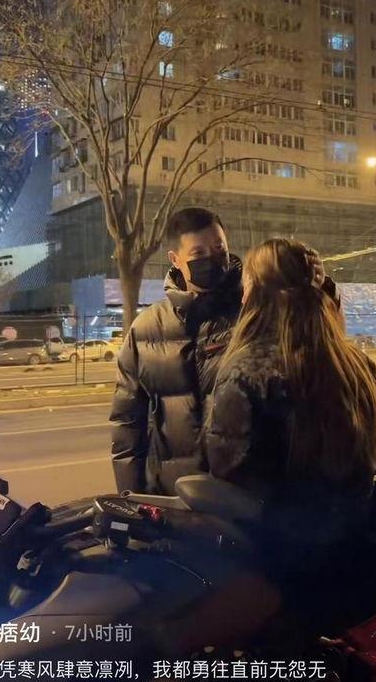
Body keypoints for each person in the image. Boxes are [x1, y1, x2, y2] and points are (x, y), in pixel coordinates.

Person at [110, 208, 336, 494]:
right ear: (175, 259)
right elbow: (127, 423)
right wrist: (131, 497)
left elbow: (316, 348)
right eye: (199, 253)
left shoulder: (255, 312)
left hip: (243, 495)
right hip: (171, 494)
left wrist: (322, 290)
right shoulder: (146, 329)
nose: (213, 258)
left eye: (219, 248)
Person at [205, 238, 376, 566]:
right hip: (351, 548)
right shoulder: (356, 364)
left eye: (246, 286)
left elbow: (232, 476)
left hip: (278, 561)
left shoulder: (246, 370)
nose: (242, 297)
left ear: (257, 293)